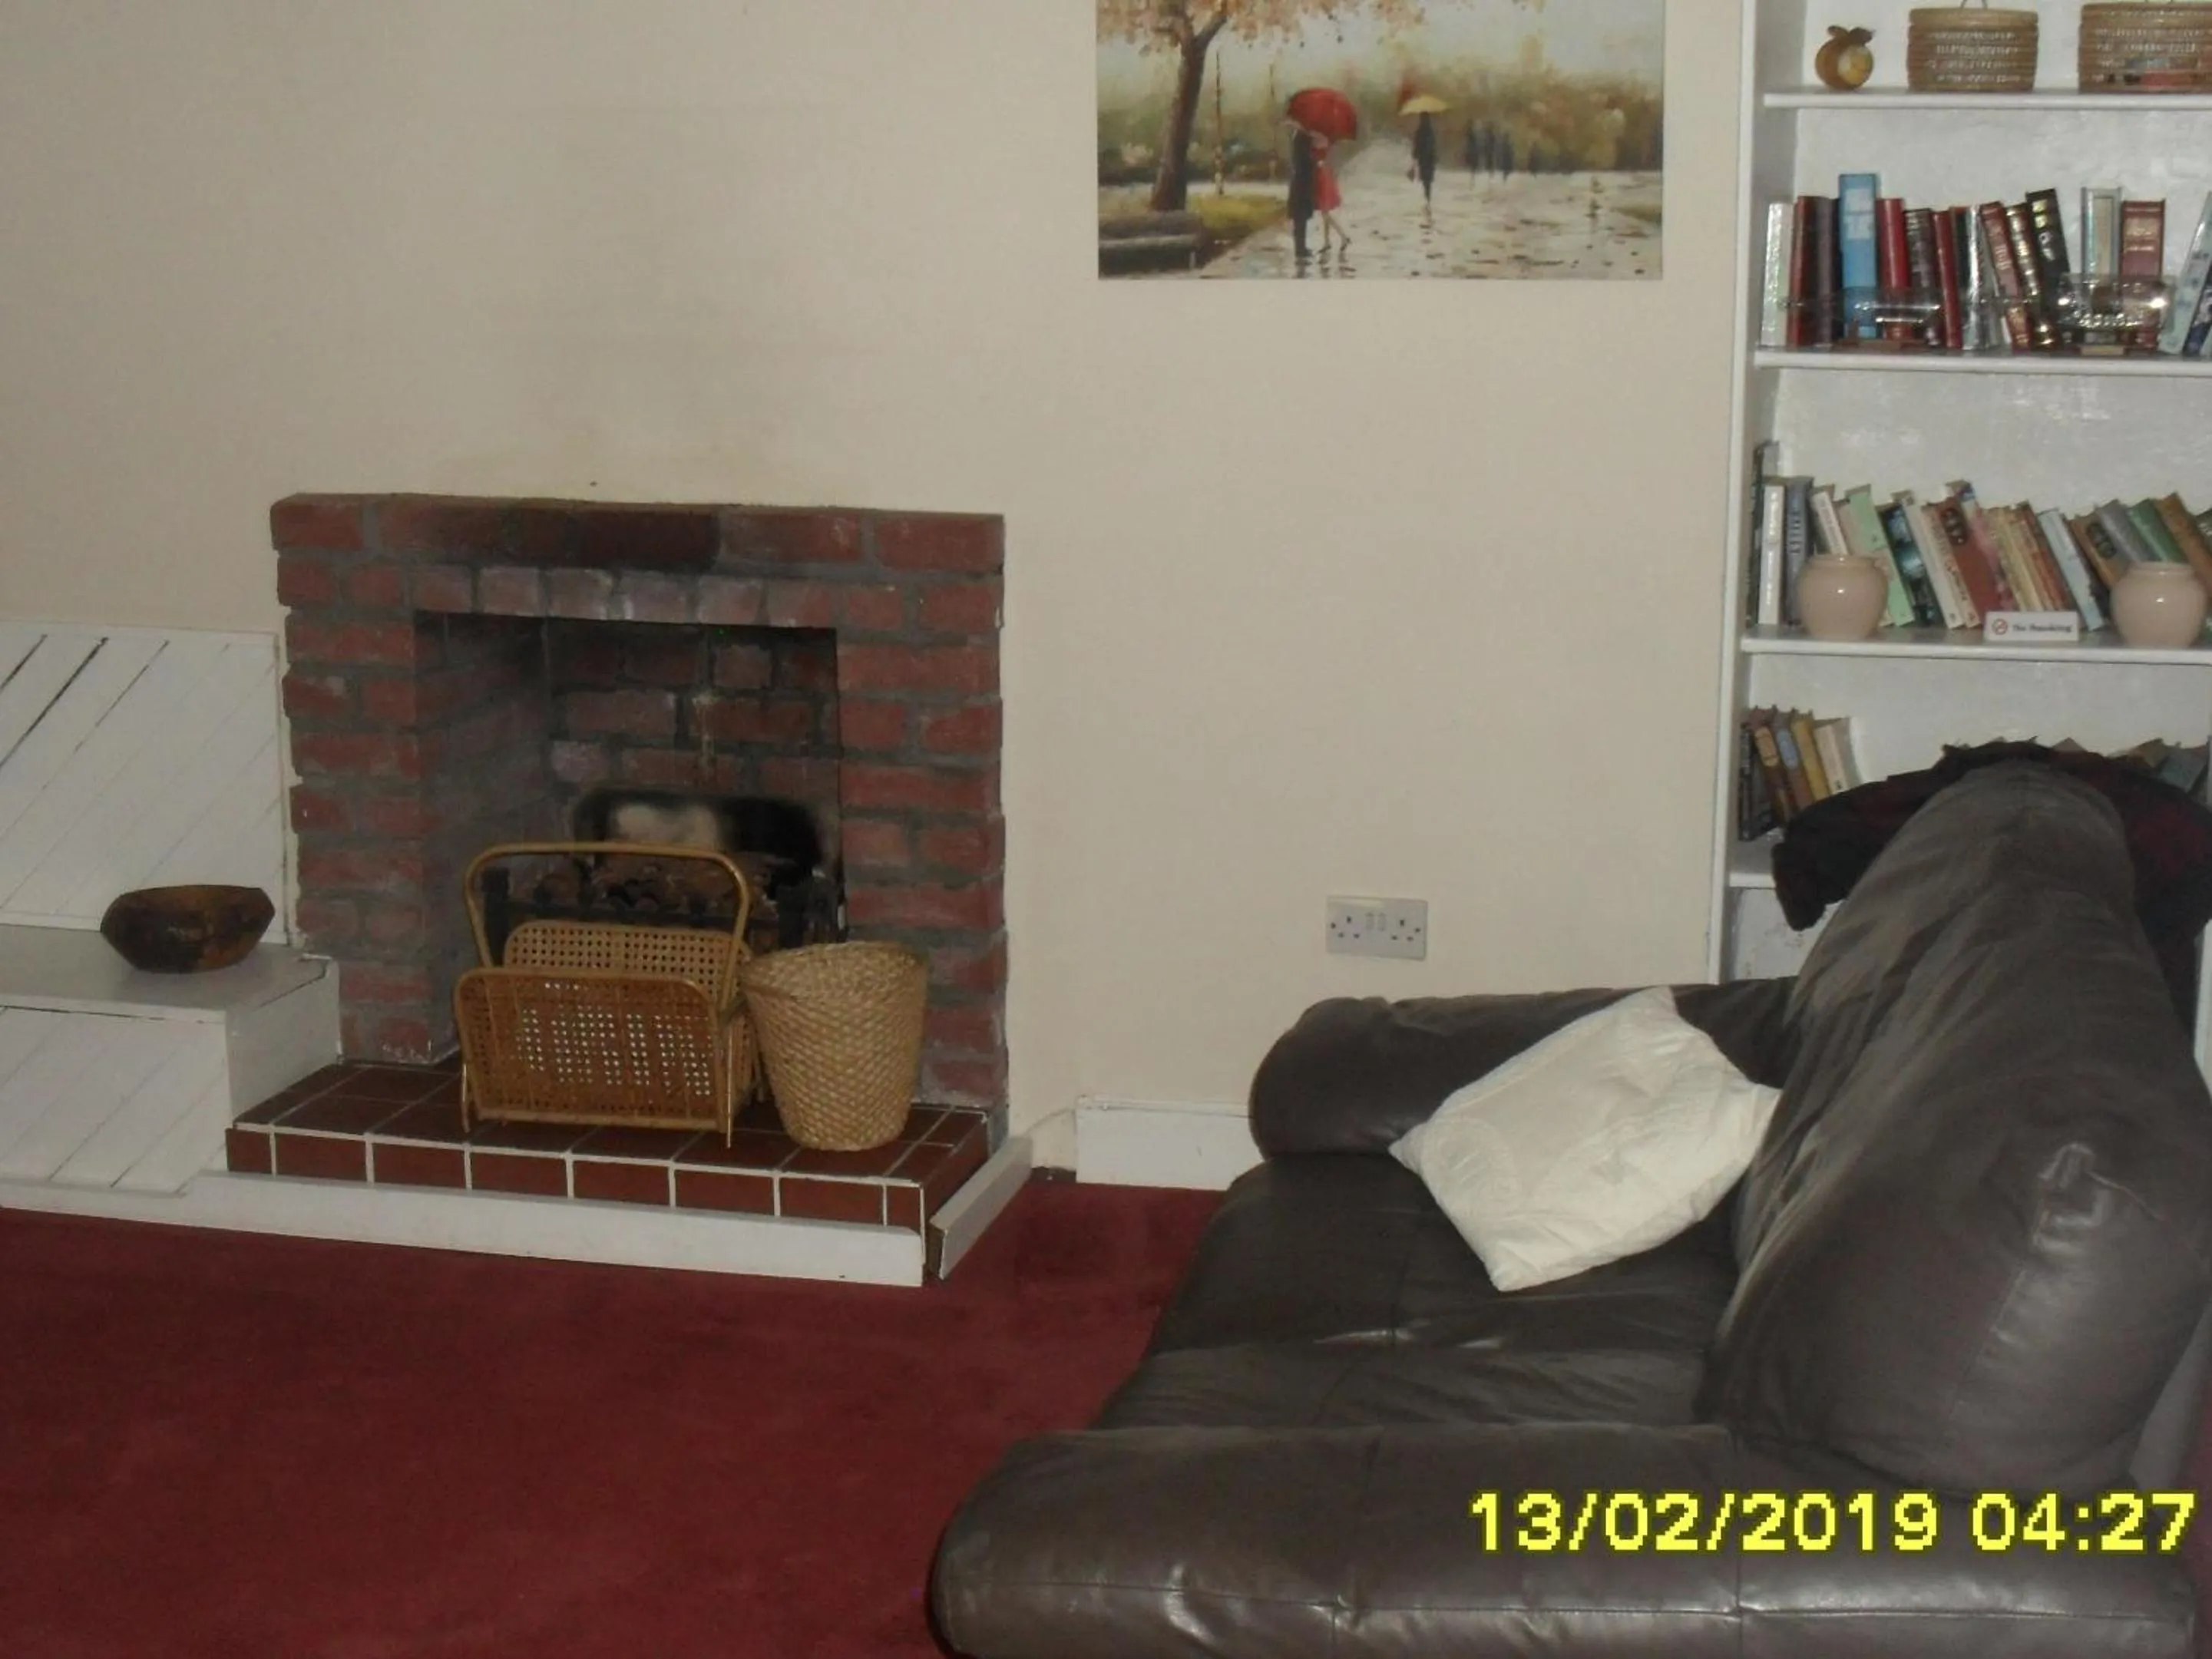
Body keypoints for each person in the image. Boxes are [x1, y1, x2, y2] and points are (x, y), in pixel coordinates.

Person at [1312, 131, 1350, 253]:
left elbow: (1325, 158)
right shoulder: (1320, 139)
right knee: (1325, 212)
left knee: (1325, 213)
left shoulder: (1322, 140)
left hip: (1323, 177)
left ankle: (1343, 237)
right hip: (1321, 176)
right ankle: (1327, 241)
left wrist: (1320, 163)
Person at [1286, 124, 1317, 262]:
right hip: (1301, 183)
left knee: (1300, 218)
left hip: (1300, 182)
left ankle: (1301, 247)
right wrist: (1315, 162)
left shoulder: (1299, 136)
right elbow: (1304, 160)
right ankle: (1300, 249)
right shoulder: (1302, 137)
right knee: (1300, 217)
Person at [1411, 111, 1438, 210]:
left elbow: (1416, 146)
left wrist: (1414, 157)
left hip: (1423, 159)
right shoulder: (1431, 131)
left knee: (1425, 180)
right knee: (1428, 180)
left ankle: (1427, 199)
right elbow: (1433, 146)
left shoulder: (1419, 131)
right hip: (1430, 159)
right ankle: (1428, 199)